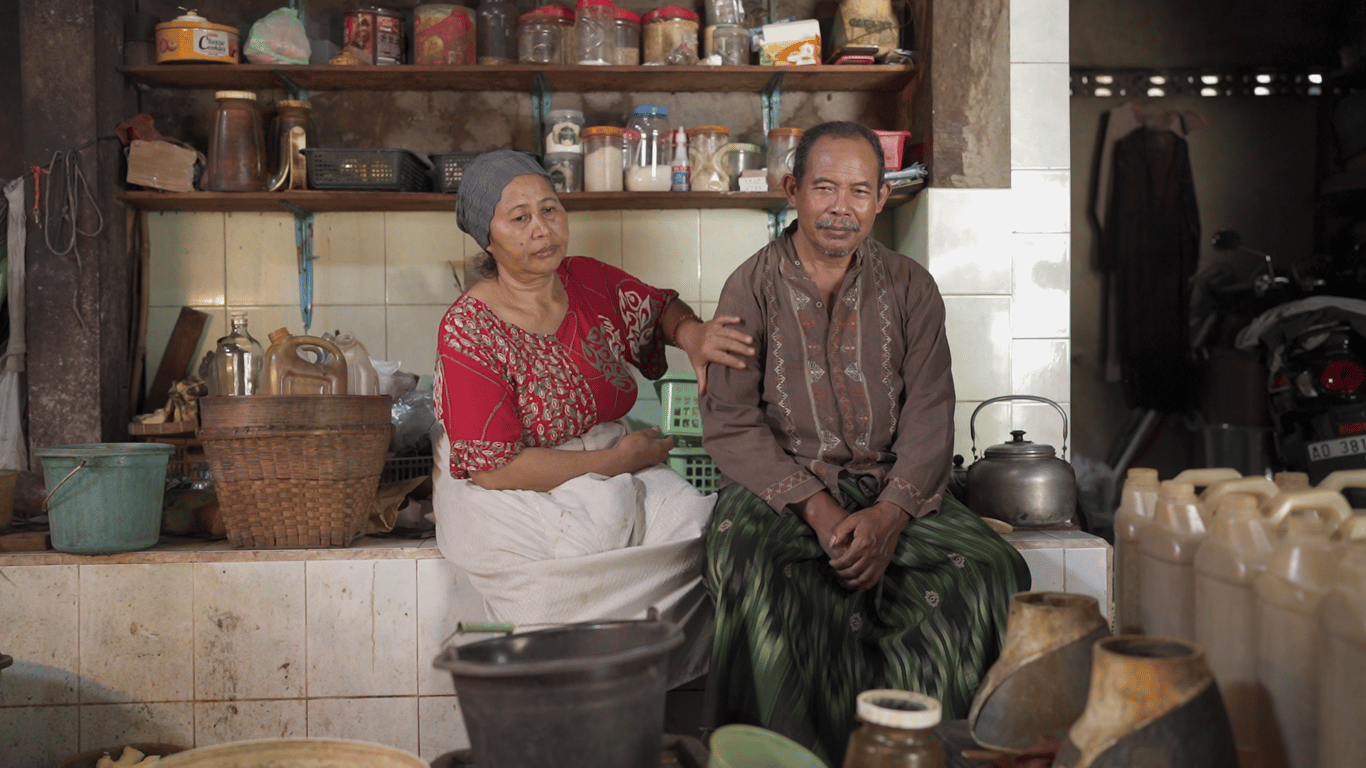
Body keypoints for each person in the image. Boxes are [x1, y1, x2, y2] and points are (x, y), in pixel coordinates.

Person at [699, 121, 1031, 762]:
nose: (840, 208)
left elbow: (931, 411)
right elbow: (732, 421)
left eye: (858, 191)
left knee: (992, 569)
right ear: (793, 191)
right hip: (783, 489)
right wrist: (821, 512)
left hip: (892, 486)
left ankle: (926, 752)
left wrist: (889, 515)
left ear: (882, 198)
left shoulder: (911, 286)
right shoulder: (751, 286)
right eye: (824, 187)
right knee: (748, 567)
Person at [431, 150, 754, 683]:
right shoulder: (469, 328)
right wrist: (614, 462)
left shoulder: (586, 280)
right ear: (487, 238)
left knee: (698, 532)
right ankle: (566, 700)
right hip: (514, 488)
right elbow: (494, 468)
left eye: (550, 209)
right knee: (545, 601)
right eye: (519, 218)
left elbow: (657, 308)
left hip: (610, 458)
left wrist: (692, 333)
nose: (542, 228)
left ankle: (643, 688)